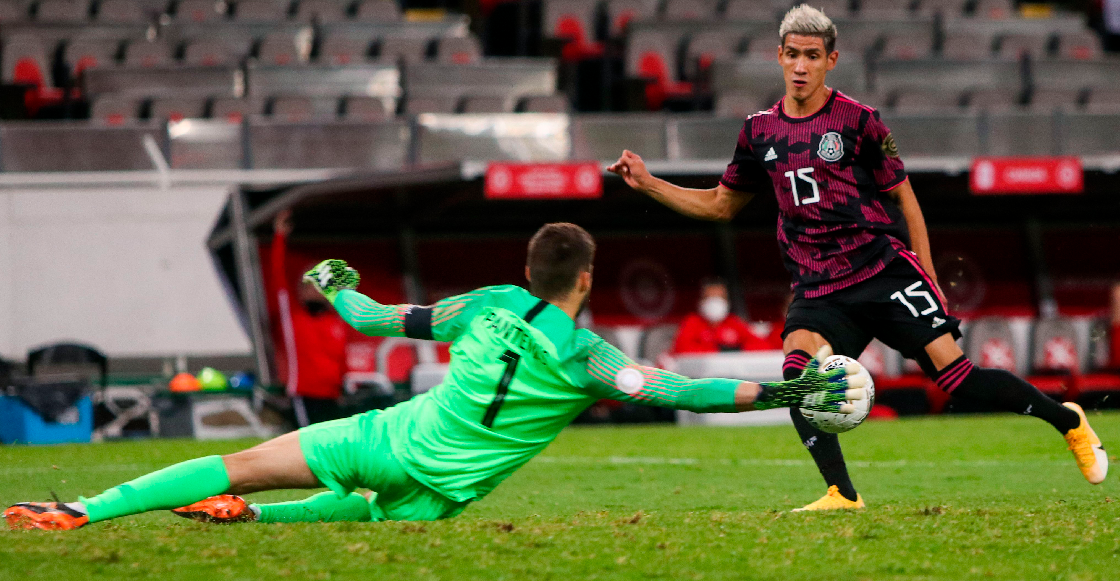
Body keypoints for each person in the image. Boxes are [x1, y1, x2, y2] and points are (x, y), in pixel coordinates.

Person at [4, 223, 865, 530]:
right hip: (448, 489)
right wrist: (788, 390)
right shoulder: (587, 356)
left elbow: (378, 319)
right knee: (382, 511)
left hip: (389, 435)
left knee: (245, 462)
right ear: (587, 281)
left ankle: (83, 509)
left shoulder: (482, 302)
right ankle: (254, 518)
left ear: (531, 269)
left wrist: (337, 285)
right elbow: (679, 390)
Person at [607, 4, 1107, 511]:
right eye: (793, 55)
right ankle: (841, 493)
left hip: (881, 269)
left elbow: (904, 196)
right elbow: (720, 204)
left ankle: (1068, 421)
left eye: (813, 56)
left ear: (831, 60)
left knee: (958, 380)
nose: (801, 66)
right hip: (819, 286)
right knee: (797, 376)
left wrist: (927, 270)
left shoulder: (859, 120)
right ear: (779, 57)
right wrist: (649, 183)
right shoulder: (758, 132)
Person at [269, 209, 350, 426]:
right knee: (307, 451)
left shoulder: (336, 322)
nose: (314, 291)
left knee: (334, 453)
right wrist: (279, 236)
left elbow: (341, 360)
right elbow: (277, 278)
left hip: (332, 397)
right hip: (304, 396)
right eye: (309, 285)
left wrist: (343, 386)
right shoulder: (293, 317)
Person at [673, 278, 780, 354]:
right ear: (701, 301)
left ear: (726, 301)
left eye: (719, 297)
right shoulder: (692, 322)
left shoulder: (733, 322)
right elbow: (682, 348)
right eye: (710, 297)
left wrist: (737, 349)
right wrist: (718, 350)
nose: (715, 302)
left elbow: (763, 346)